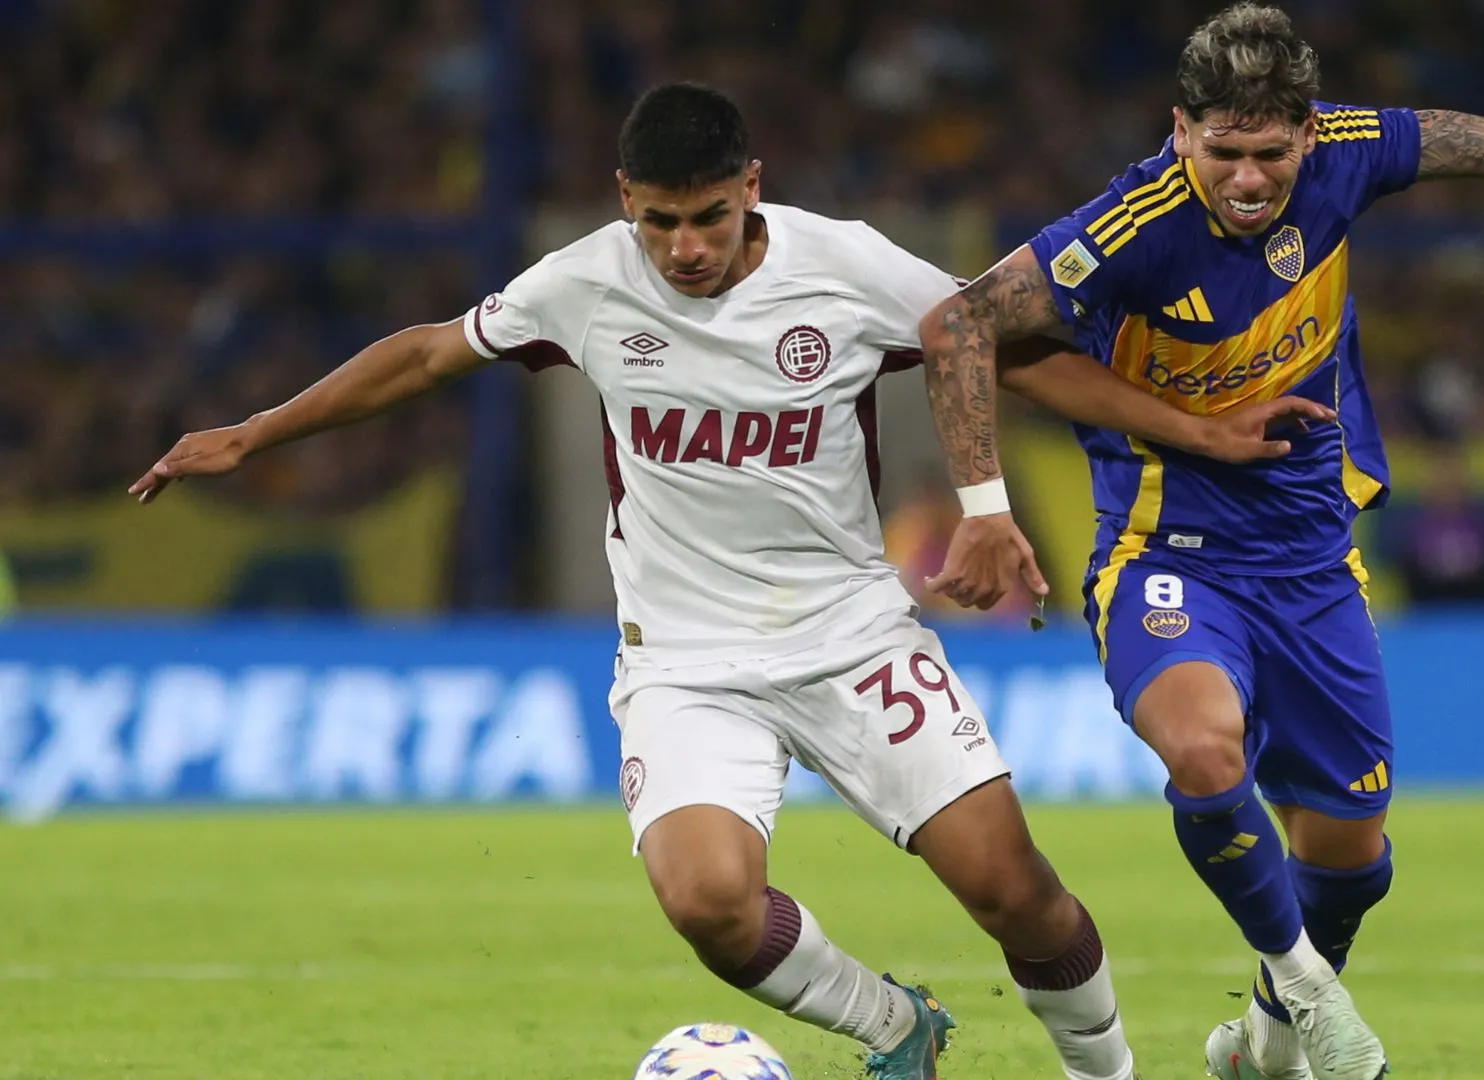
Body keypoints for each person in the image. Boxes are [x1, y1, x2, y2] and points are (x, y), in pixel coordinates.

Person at [127, 83, 1329, 1080]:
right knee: (707, 901)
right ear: (626, 207)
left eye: (706, 217)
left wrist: (1197, 430)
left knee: (1015, 892)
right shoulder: (587, 282)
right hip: (685, 665)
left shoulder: (845, 267)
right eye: (660, 224)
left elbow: (1003, 348)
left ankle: (1105, 1074)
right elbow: (431, 352)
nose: (685, 248)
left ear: (752, 184)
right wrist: (254, 432)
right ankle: (894, 1028)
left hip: (854, 636)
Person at [913, 5, 1484, 1078]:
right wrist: (1008, 502)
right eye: (1223, 153)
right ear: (1180, 131)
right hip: (1169, 554)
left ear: (1310, 133)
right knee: (1206, 753)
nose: (1249, 181)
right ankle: (1309, 992)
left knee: (1352, 860)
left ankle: (1260, 1040)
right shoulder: (1130, 228)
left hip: (1311, 558)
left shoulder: (1352, 155)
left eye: (1269, 153)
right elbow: (964, 327)